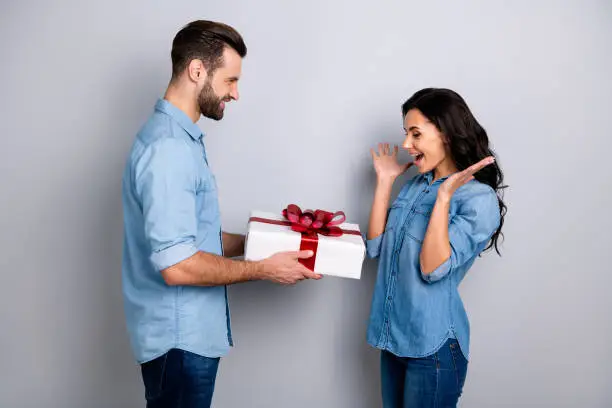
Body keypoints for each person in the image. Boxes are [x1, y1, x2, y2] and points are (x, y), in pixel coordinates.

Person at [121, 20, 320, 408]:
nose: (236, 93)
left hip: (187, 339)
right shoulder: (169, 150)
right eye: (230, 80)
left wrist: (264, 243)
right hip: (179, 342)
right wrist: (263, 269)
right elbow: (177, 265)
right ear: (198, 71)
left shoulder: (181, 141)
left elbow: (192, 237)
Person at [366, 88, 507, 407]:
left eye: (415, 133)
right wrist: (385, 183)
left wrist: (444, 198)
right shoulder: (416, 185)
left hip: (434, 349)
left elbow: (433, 269)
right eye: (406, 134)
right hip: (394, 339)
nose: (406, 145)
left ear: (446, 133)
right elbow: (375, 246)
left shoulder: (477, 199)